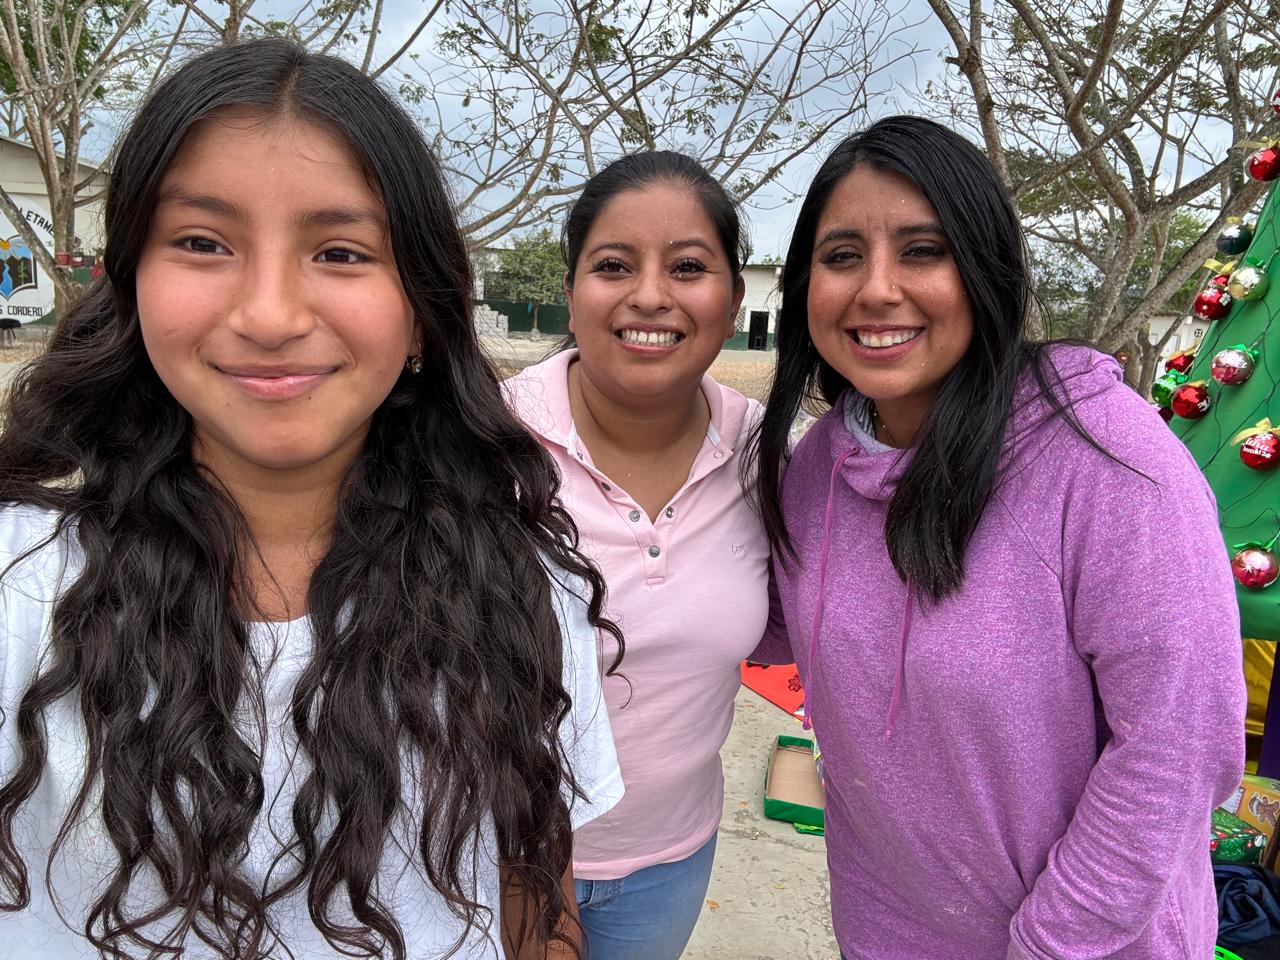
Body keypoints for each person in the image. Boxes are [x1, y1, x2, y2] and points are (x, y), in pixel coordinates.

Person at [0, 39, 624, 960]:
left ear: (421, 311)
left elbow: (535, 892)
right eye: (202, 243)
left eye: (340, 251)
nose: (270, 314)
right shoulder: (18, 584)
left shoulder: (521, 584)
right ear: (131, 283)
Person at [750, 115, 1247, 960]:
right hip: (884, 935)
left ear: (985, 269)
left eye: (922, 250)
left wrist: (1050, 945)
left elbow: (1178, 747)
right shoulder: (819, 468)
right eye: (842, 256)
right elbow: (753, 623)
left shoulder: (1106, 460)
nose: (877, 289)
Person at [504, 152, 769, 960]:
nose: (650, 295)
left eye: (688, 267)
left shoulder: (763, 453)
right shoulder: (485, 442)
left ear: (733, 299)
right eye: (614, 265)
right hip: (493, 856)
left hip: (671, 859)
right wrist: (522, 871)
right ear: (572, 290)